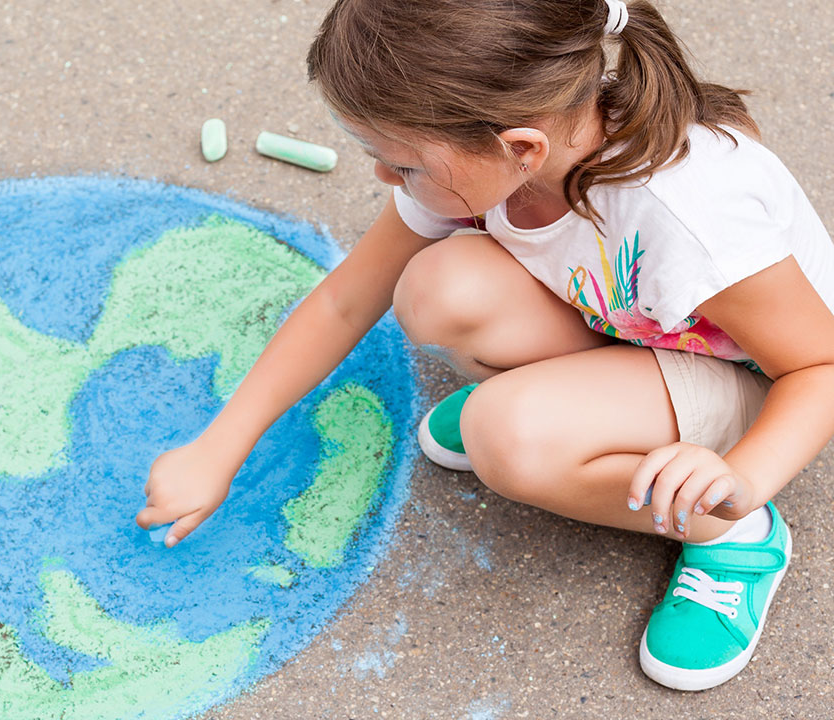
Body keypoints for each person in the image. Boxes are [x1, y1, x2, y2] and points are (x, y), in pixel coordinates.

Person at [135, 0, 834, 691]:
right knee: (437, 288)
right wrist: (219, 445)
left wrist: (743, 480)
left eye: (401, 164)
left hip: (759, 382)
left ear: (521, 148)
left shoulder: (688, 216)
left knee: (509, 438)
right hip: (634, 326)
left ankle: (732, 540)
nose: (383, 178)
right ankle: (565, 409)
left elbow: (820, 364)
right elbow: (346, 300)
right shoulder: (502, 149)